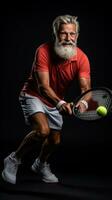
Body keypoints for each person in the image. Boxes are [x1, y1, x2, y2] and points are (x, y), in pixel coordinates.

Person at [2, 14, 91, 184]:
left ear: (77, 36)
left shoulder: (82, 58)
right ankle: (13, 159)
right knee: (43, 131)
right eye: (63, 33)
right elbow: (43, 87)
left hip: (55, 100)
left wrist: (82, 104)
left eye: (72, 34)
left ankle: (40, 164)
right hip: (33, 94)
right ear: (55, 34)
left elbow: (86, 89)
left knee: (55, 141)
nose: (68, 38)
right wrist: (61, 103)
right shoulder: (43, 51)